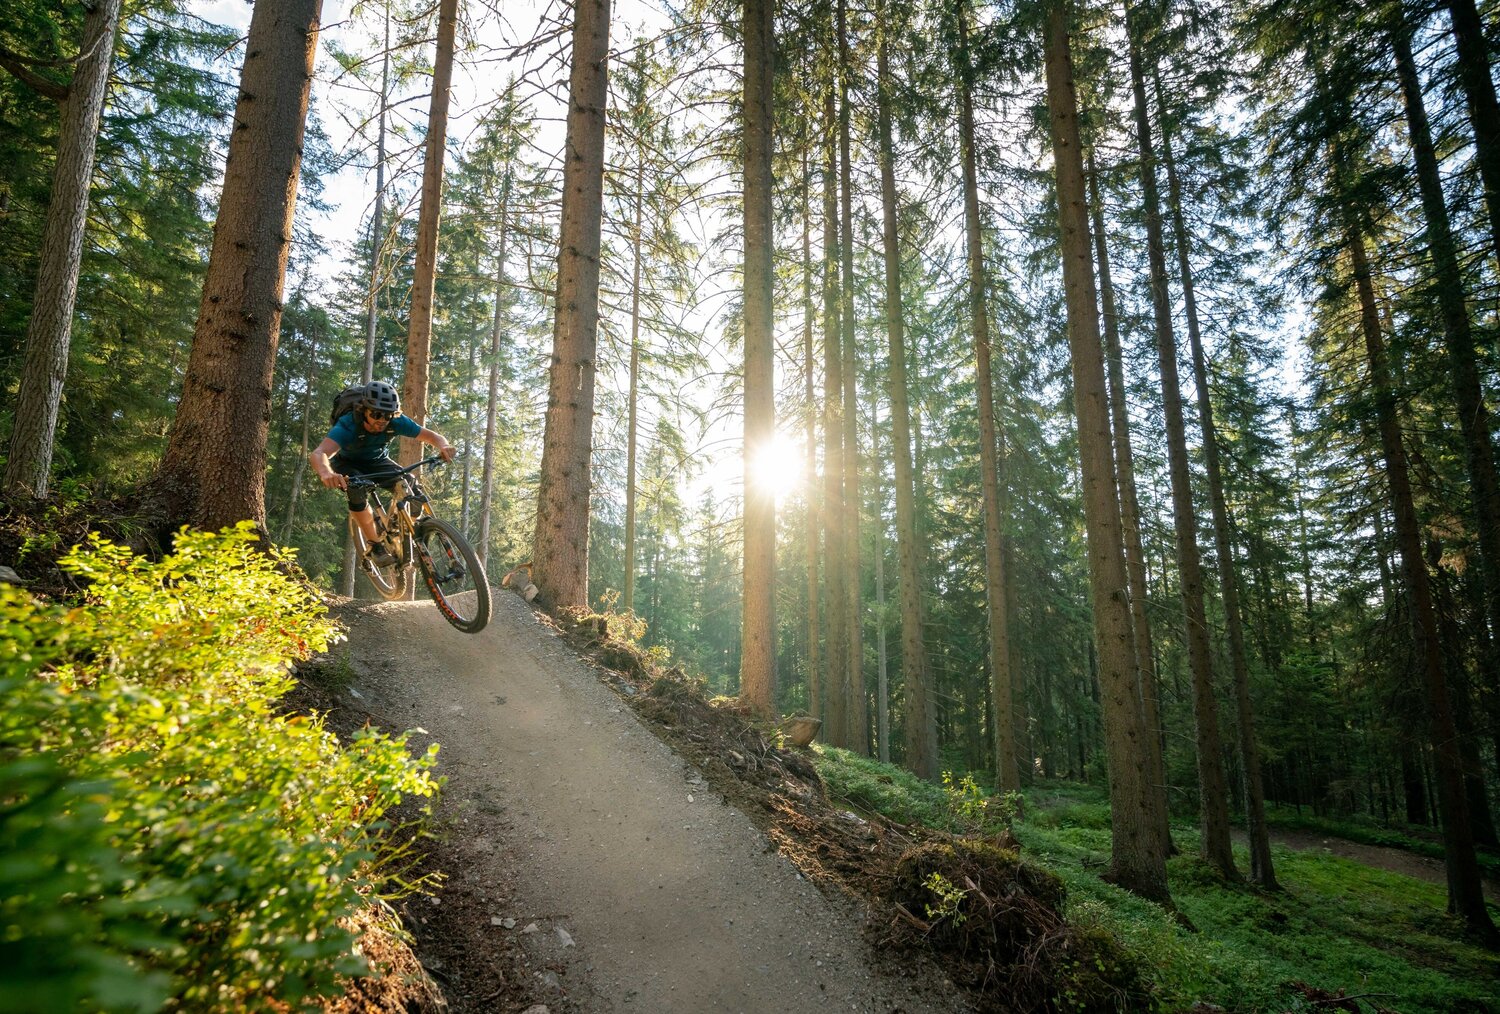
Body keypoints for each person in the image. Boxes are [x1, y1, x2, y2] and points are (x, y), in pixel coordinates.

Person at [310, 380, 455, 568]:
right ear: (364, 410)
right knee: (356, 490)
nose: (381, 420)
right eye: (376, 414)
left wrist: (444, 446)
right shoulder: (349, 425)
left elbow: (432, 436)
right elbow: (319, 453)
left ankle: (406, 534)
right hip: (347, 464)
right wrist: (326, 472)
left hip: (377, 462)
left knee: (413, 489)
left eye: (387, 415)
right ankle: (375, 545)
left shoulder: (396, 422)